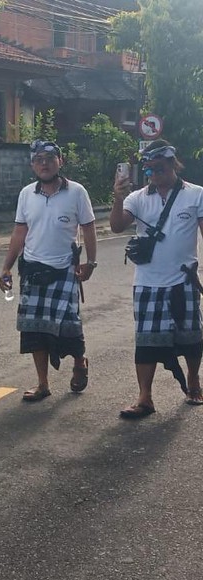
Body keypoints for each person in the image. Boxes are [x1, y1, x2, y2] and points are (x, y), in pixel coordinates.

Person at [110, 139, 203, 418]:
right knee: (146, 342)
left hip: (183, 280)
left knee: (191, 338)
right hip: (148, 282)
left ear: (173, 163)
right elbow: (116, 226)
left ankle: (194, 381)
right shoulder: (137, 198)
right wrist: (116, 197)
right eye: (149, 170)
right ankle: (145, 398)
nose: (155, 174)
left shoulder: (196, 194)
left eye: (160, 167)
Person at [0, 140, 97, 401]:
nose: (44, 163)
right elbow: (20, 232)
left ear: (60, 162)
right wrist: (6, 267)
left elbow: (88, 227)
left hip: (65, 270)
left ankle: (79, 362)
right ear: (33, 165)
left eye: (49, 158)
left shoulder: (77, 192)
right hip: (32, 270)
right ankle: (43, 384)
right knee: (34, 330)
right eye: (39, 159)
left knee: (70, 326)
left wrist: (91, 262)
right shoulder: (26, 194)